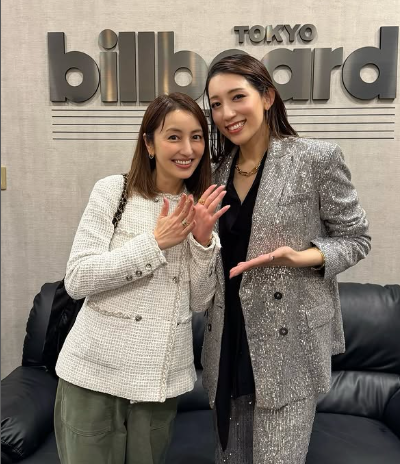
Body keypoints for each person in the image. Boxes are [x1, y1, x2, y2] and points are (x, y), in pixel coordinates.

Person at [201, 54, 371, 464]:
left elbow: (356, 238)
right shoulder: (215, 172)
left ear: (267, 97)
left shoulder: (315, 158)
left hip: (289, 344)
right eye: (216, 104)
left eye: (237, 97)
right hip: (229, 338)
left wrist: (304, 257)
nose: (226, 113)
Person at [54, 92, 229, 464]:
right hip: (94, 374)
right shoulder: (113, 191)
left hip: (157, 382)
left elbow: (200, 303)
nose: (187, 149)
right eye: (174, 136)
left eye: (197, 137)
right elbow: (78, 279)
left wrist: (202, 242)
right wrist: (154, 243)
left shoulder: (200, 207)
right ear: (149, 143)